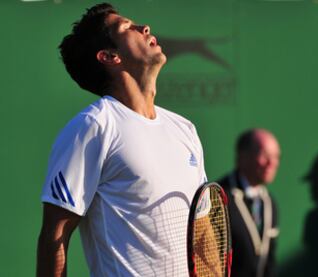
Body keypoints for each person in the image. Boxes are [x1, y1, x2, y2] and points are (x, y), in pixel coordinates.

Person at [36, 3, 207, 277]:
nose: (144, 28)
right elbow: (54, 237)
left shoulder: (185, 129)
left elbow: (203, 233)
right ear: (109, 56)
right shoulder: (92, 127)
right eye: (127, 27)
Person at [218, 128, 281, 277]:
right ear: (243, 156)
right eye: (265, 155)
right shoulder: (218, 199)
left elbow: (269, 261)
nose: (272, 163)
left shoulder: (270, 203)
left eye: (276, 156)